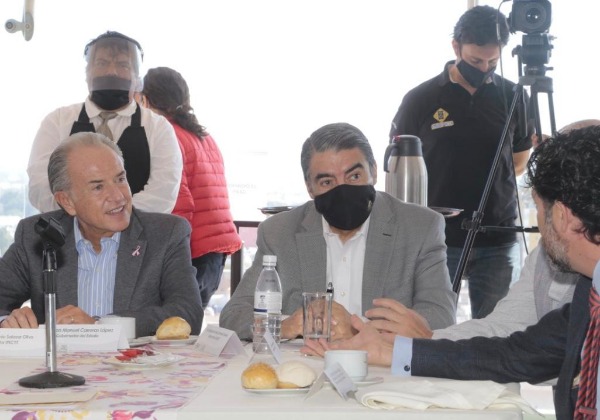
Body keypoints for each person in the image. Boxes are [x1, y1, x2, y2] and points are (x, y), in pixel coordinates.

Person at [303, 125, 600, 420]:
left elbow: (535, 357)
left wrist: (415, 343)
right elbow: (516, 351)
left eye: (537, 207)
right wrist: (406, 348)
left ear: (561, 215)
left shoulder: (585, 291)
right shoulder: (589, 294)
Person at [220, 122, 456, 341]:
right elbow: (234, 315)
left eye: (354, 176)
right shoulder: (279, 232)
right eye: (327, 182)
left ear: (374, 172)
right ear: (310, 188)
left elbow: (440, 315)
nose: (342, 190)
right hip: (306, 363)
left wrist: (358, 329)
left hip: (383, 366)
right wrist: (287, 326)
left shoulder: (420, 227)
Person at [389, 5, 534, 319]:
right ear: (456, 47)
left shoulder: (513, 96)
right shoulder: (421, 99)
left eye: (492, 62)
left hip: (498, 236)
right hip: (438, 237)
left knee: (497, 330)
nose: (484, 68)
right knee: (431, 326)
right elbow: (397, 164)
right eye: (475, 61)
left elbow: (519, 160)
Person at [0, 132, 203, 337]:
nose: (118, 196)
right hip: (60, 358)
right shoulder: (38, 237)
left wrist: (100, 326)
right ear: (67, 201)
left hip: (132, 358)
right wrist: (8, 322)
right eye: (98, 187)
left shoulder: (166, 234)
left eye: (120, 179)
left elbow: (188, 313)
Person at [27, 31, 182, 214]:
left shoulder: (159, 128)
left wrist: (108, 217)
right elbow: (40, 185)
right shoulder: (57, 121)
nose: (111, 72)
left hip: (140, 231)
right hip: (66, 230)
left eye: (123, 65)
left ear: (136, 77)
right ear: (87, 73)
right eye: (102, 63)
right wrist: (86, 219)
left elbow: (162, 194)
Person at [139, 66, 242, 309]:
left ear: (145, 100)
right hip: (214, 253)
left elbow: (179, 203)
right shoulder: (203, 136)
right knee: (186, 326)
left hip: (191, 253)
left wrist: (166, 258)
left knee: (168, 326)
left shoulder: (165, 135)